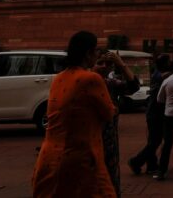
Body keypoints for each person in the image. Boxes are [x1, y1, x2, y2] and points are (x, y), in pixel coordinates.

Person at [33, 31, 117, 198]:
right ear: (88, 54)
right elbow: (109, 113)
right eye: (96, 51)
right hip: (80, 159)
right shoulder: (91, 78)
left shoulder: (59, 78)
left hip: (49, 157)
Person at [94, 51, 140, 197]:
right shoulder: (85, 83)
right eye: (99, 63)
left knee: (111, 180)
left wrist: (121, 64)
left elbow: (134, 86)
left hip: (109, 141)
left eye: (107, 64)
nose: (104, 67)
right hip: (90, 140)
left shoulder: (110, 84)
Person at [129, 54, 171, 176]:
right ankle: (136, 161)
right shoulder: (159, 75)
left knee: (153, 140)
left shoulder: (157, 74)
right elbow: (166, 76)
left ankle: (152, 165)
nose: (170, 64)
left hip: (154, 113)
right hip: (155, 114)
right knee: (155, 141)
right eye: (168, 62)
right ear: (163, 64)